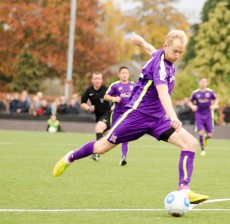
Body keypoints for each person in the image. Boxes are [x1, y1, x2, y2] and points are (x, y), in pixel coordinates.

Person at [53, 30, 209, 204]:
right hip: (137, 115)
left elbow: (151, 50)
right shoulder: (160, 67)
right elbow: (163, 94)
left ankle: (184, 189)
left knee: (190, 143)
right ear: (166, 47)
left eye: (181, 52)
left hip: (157, 119)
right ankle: (70, 157)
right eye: (175, 51)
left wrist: (142, 42)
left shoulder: (162, 55)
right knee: (101, 147)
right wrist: (174, 116)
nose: (178, 55)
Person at [104, 66, 135, 166]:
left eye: (126, 73)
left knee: (125, 137)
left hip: (127, 115)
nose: (124, 74)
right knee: (113, 136)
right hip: (117, 113)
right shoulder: (115, 85)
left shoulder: (133, 85)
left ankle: (123, 157)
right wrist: (114, 99)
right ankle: (100, 146)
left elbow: (138, 96)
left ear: (128, 74)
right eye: (123, 73)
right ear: (119, 74)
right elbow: (105, 96)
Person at [80, 72, 111, 161]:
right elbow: (82, 103)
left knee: (98, 129)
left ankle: (96, 153)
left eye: (99, 79)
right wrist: (88, 108)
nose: (97, 80)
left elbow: (114, 99)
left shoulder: (106, 90)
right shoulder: (89, 91)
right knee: (109, 135)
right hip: (98, 117)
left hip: (107, 114)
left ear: (102, 80)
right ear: (92, 80)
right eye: (95, 79)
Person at [188, 78, 218, 156]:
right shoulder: (195, 93)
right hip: (199, 115)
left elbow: (216, 99)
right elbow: (189, 101)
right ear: (199, 83)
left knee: (210, 135)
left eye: (205, 82)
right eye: (202, 82)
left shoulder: (210, 92)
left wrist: (214, 105)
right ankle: (202, 149)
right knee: (200, 132)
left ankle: (206, 138)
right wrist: (192, 106)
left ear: (207, 83)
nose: (203, 83)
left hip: (208, 115)